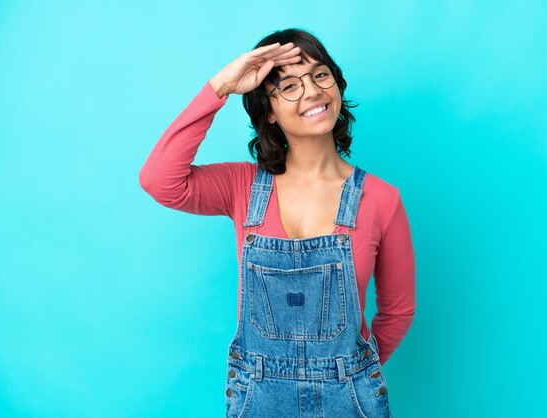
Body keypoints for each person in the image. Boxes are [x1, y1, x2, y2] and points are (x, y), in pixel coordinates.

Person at [139, 28, 415, 418]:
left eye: (320, 75)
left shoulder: (382, 198)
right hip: (259, 398)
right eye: (289, 86)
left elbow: (398, 311)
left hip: (351, 400)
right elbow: (159, 180)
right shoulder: (241, 186)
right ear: (268, 111)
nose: (312, 92)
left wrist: (356, 374)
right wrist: (220, 86)